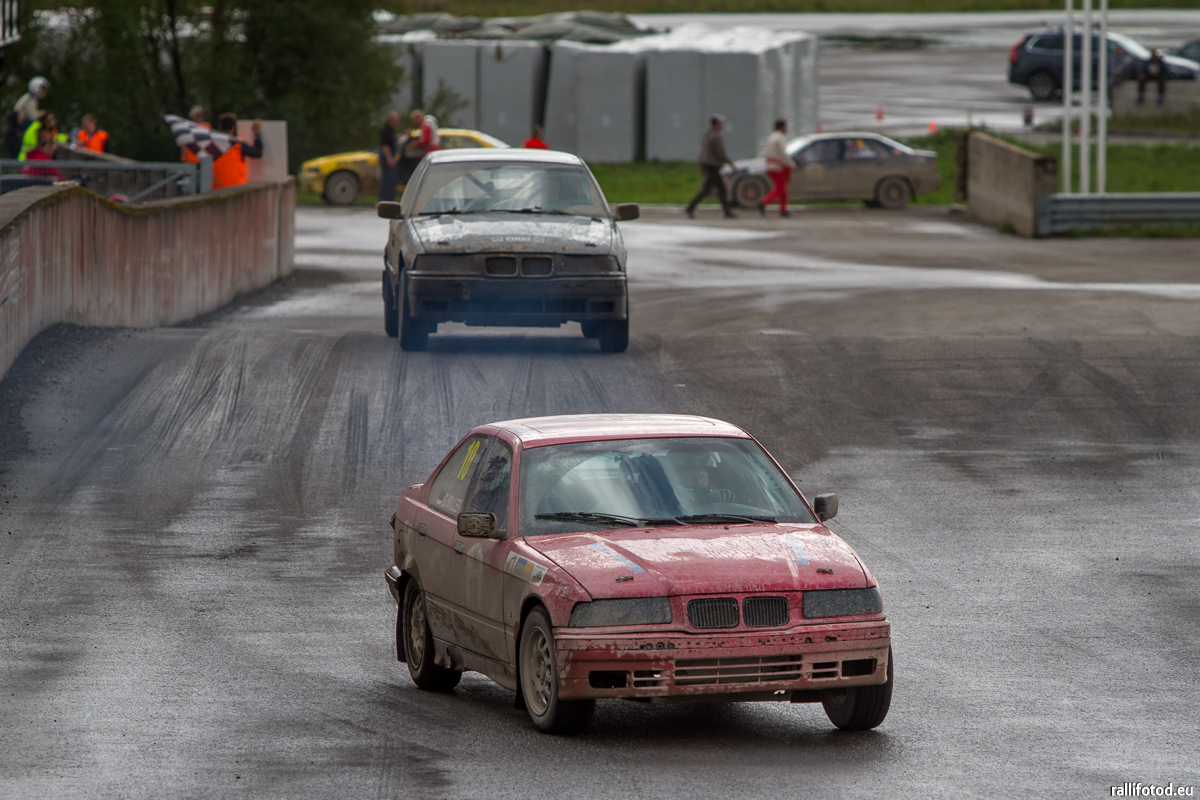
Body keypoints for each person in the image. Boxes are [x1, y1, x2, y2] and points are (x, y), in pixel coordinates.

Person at [685, 115, 735, 219]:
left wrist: (703, 167)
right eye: (720, 124)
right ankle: (690, 207)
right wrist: (730, 162)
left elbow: (703, 153)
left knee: (720, 190)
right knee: (708, 190)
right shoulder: (715, 137)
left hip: (708, 165)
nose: (721, 126)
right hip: (713, 166)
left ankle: (727, 211)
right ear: (716, 124)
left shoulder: (707, 135)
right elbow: (720, 153)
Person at [211, 113, 263, 189]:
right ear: (233, 128)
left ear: (219, 126)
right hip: (237, 190)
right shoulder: (238, 144)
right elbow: (257, 152)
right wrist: (257, 133)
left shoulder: (211, 144)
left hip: (216, 190)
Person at [760, 118, 790, 217]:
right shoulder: (780, 138)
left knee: (782, 190)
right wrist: (789, 163)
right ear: (782, 127)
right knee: (779, 189)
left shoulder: (771, 137)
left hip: (771, 165)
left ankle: (783, 209)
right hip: (778, 166)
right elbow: (782, 152)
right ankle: (764, 202)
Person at [378, 111, 401, 202]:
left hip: (390, 156)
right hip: (386, 157)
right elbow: (385, 146)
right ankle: (385, 199)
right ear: (391, 120)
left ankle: (389, 198)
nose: (398, 122)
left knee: (392, 179)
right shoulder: (385, 130)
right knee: (389, 179)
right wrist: (389, 158)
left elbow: (392, 140)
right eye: (396, 120)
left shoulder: (391, 130)